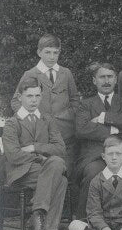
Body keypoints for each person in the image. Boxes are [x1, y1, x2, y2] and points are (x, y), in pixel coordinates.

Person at [3, 77, 68, 230]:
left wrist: (34, 147)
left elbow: (60, 149)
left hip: (44, 169)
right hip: (22, 172)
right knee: (58, 173)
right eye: (29, 95)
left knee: (58, 171)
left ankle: (40, 226)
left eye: (37, 96)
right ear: (20, 97)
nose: (33, 100)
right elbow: (14, 155)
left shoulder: (47, 120)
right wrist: (41, 158)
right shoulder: (12, 123)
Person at [75, 63, 122, 218]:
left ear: (116, 79)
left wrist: (103, 118)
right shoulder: (85, 104)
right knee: (93, 174)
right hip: (94, 155)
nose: (106, 81)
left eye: (110, 77)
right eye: (102, 77)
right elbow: (81, 129)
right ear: (94, 81)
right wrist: (115, 130)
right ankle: (83, 221)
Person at [10, 33, 79, 181]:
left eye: (56, 53)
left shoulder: (66, 73)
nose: (52, 57)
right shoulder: (30, 74)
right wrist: (34, 119)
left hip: (66, 135)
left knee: (68, 176)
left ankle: (65, 203)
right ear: (39, 52)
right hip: (42, 136)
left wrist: (69, 116)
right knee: (49, 175)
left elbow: (75, 100)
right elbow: (16, 101)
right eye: (47, 52)